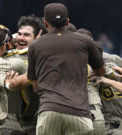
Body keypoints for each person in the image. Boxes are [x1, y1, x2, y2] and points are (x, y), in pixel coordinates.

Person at [27, 3, 105, 135]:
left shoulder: (35, 45)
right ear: (67, 22)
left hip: (49, 110)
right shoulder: (85, 41)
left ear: (45, 23)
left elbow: (35, 86)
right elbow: (100, 71)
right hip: (79, 112)